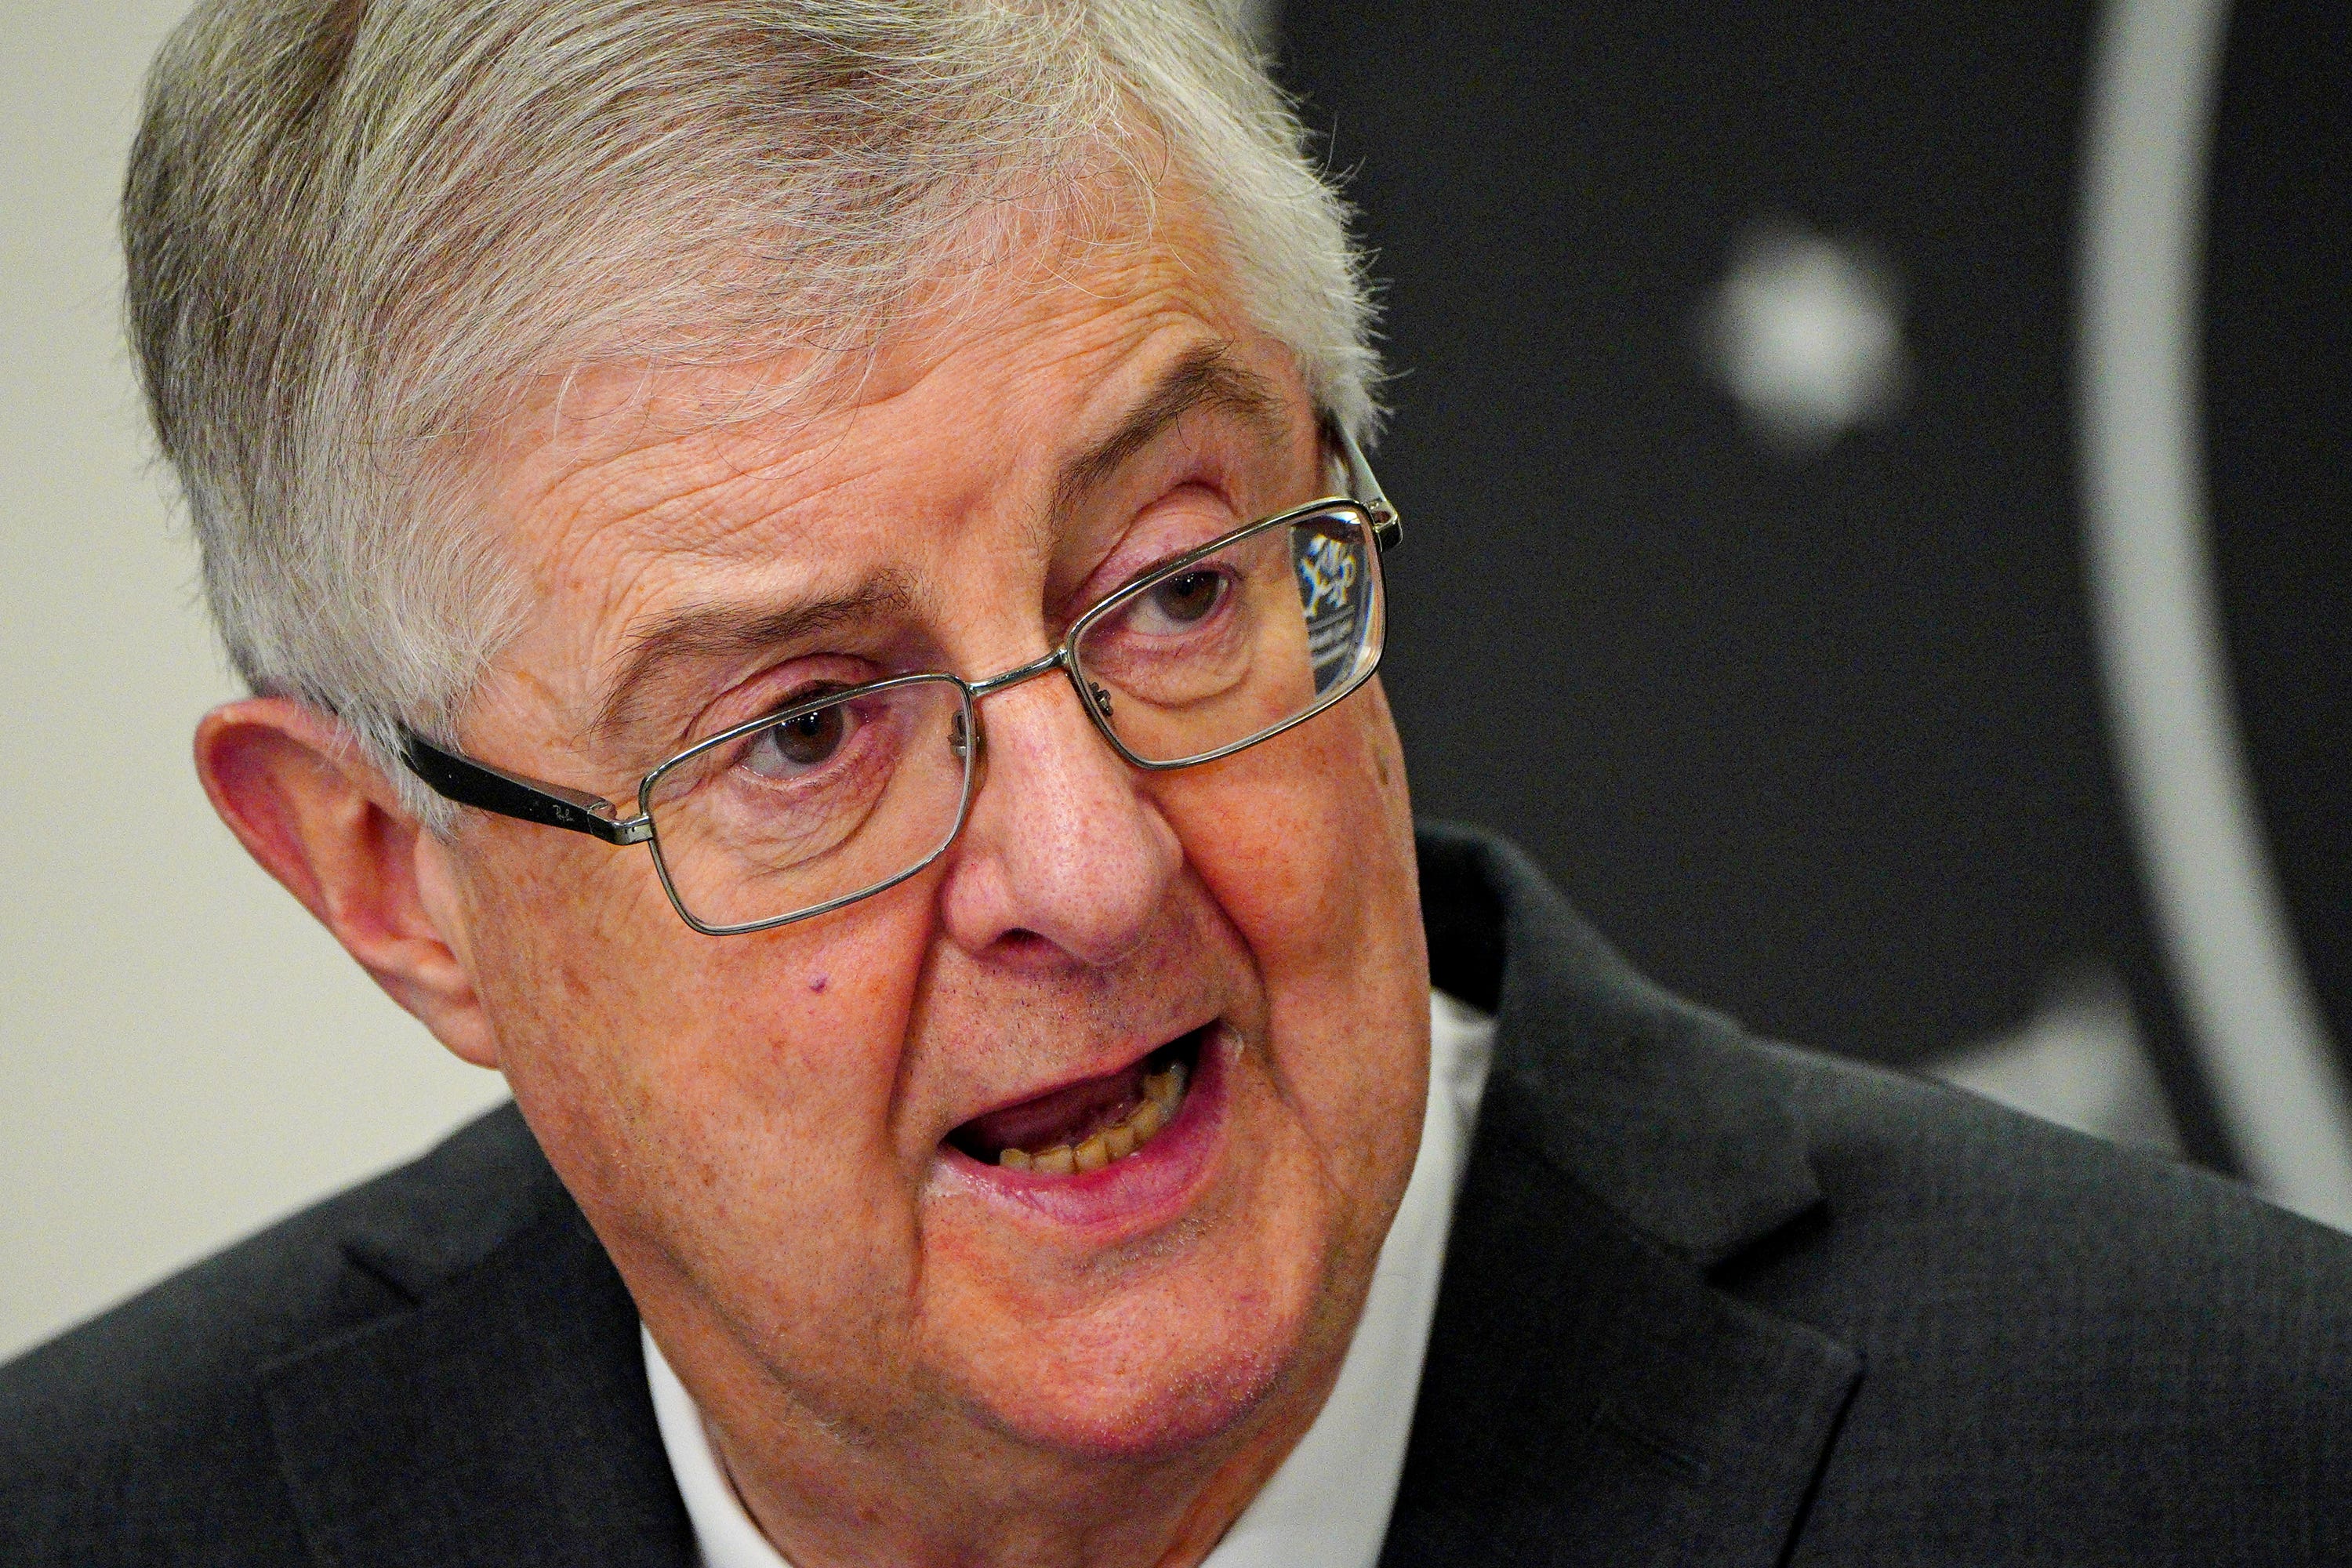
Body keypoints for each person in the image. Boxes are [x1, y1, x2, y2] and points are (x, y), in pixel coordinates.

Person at [5, 0, 2349, 1563]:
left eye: (1175, 586)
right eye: (805, 730)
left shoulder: (2220, 1464)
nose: (1089, 863)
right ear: (394, 881)